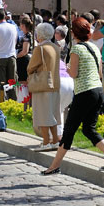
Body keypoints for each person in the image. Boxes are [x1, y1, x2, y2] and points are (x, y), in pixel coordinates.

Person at [42, 18, 104, 175]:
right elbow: (98, 72)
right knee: (88, 129)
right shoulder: (94, 47)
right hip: (97, 90)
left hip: (84, 93)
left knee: (69, 130)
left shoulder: (76, 50)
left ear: (73, 33)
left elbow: (74, 74)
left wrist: (68, 67)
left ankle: (54, 166)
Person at [27, 23, 62, 151]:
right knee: (52, 113)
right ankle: (54, 140)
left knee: (43, 114)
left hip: (42, 84)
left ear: (40, 34)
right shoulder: (55, 47)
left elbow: (31, 67)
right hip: (55, 83)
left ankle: (46, 141)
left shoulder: (40, 48)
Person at [0, 9, 18, 101]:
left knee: (1, 83)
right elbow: (16, 40)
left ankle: (2, 101)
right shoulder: (13, 27)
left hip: (0, 57)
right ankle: (13, 100)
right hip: (11, 55)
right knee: (12, 81)